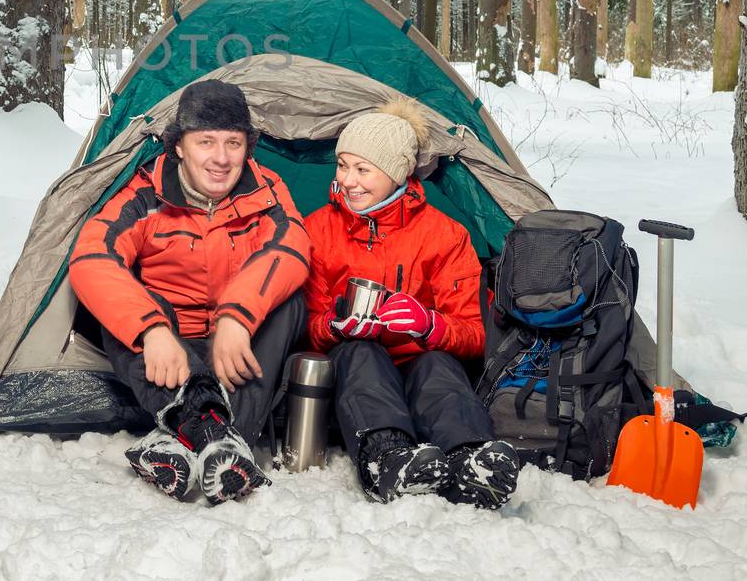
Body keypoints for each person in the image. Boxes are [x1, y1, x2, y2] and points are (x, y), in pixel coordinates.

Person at [69, 79, 310, 504]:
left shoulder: (266, 192)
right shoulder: (145, 196)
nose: (221, 158)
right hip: (170, 352)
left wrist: (236, 316)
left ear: (247, 148)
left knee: (289, 299)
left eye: (233, 143)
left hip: (236, 348)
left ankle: (185, 438)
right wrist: (152, 332)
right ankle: (217, 434)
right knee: (127, 301)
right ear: (179, 146)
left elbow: (291, 248)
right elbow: (93, 257)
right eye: (206, 142)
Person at [300, 97, 521, 509]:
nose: (348, 180)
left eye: (363, 169)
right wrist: (332, 326)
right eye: (343, 165)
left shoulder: (444, 235)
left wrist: (430, 326)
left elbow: (476, 333)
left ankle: (471, 457)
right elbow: (302, 324)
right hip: (352, 386)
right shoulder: (317, 230)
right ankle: (386, 458)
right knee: (360, 351)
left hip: (421, 371)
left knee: (437, 363)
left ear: (397, 173)